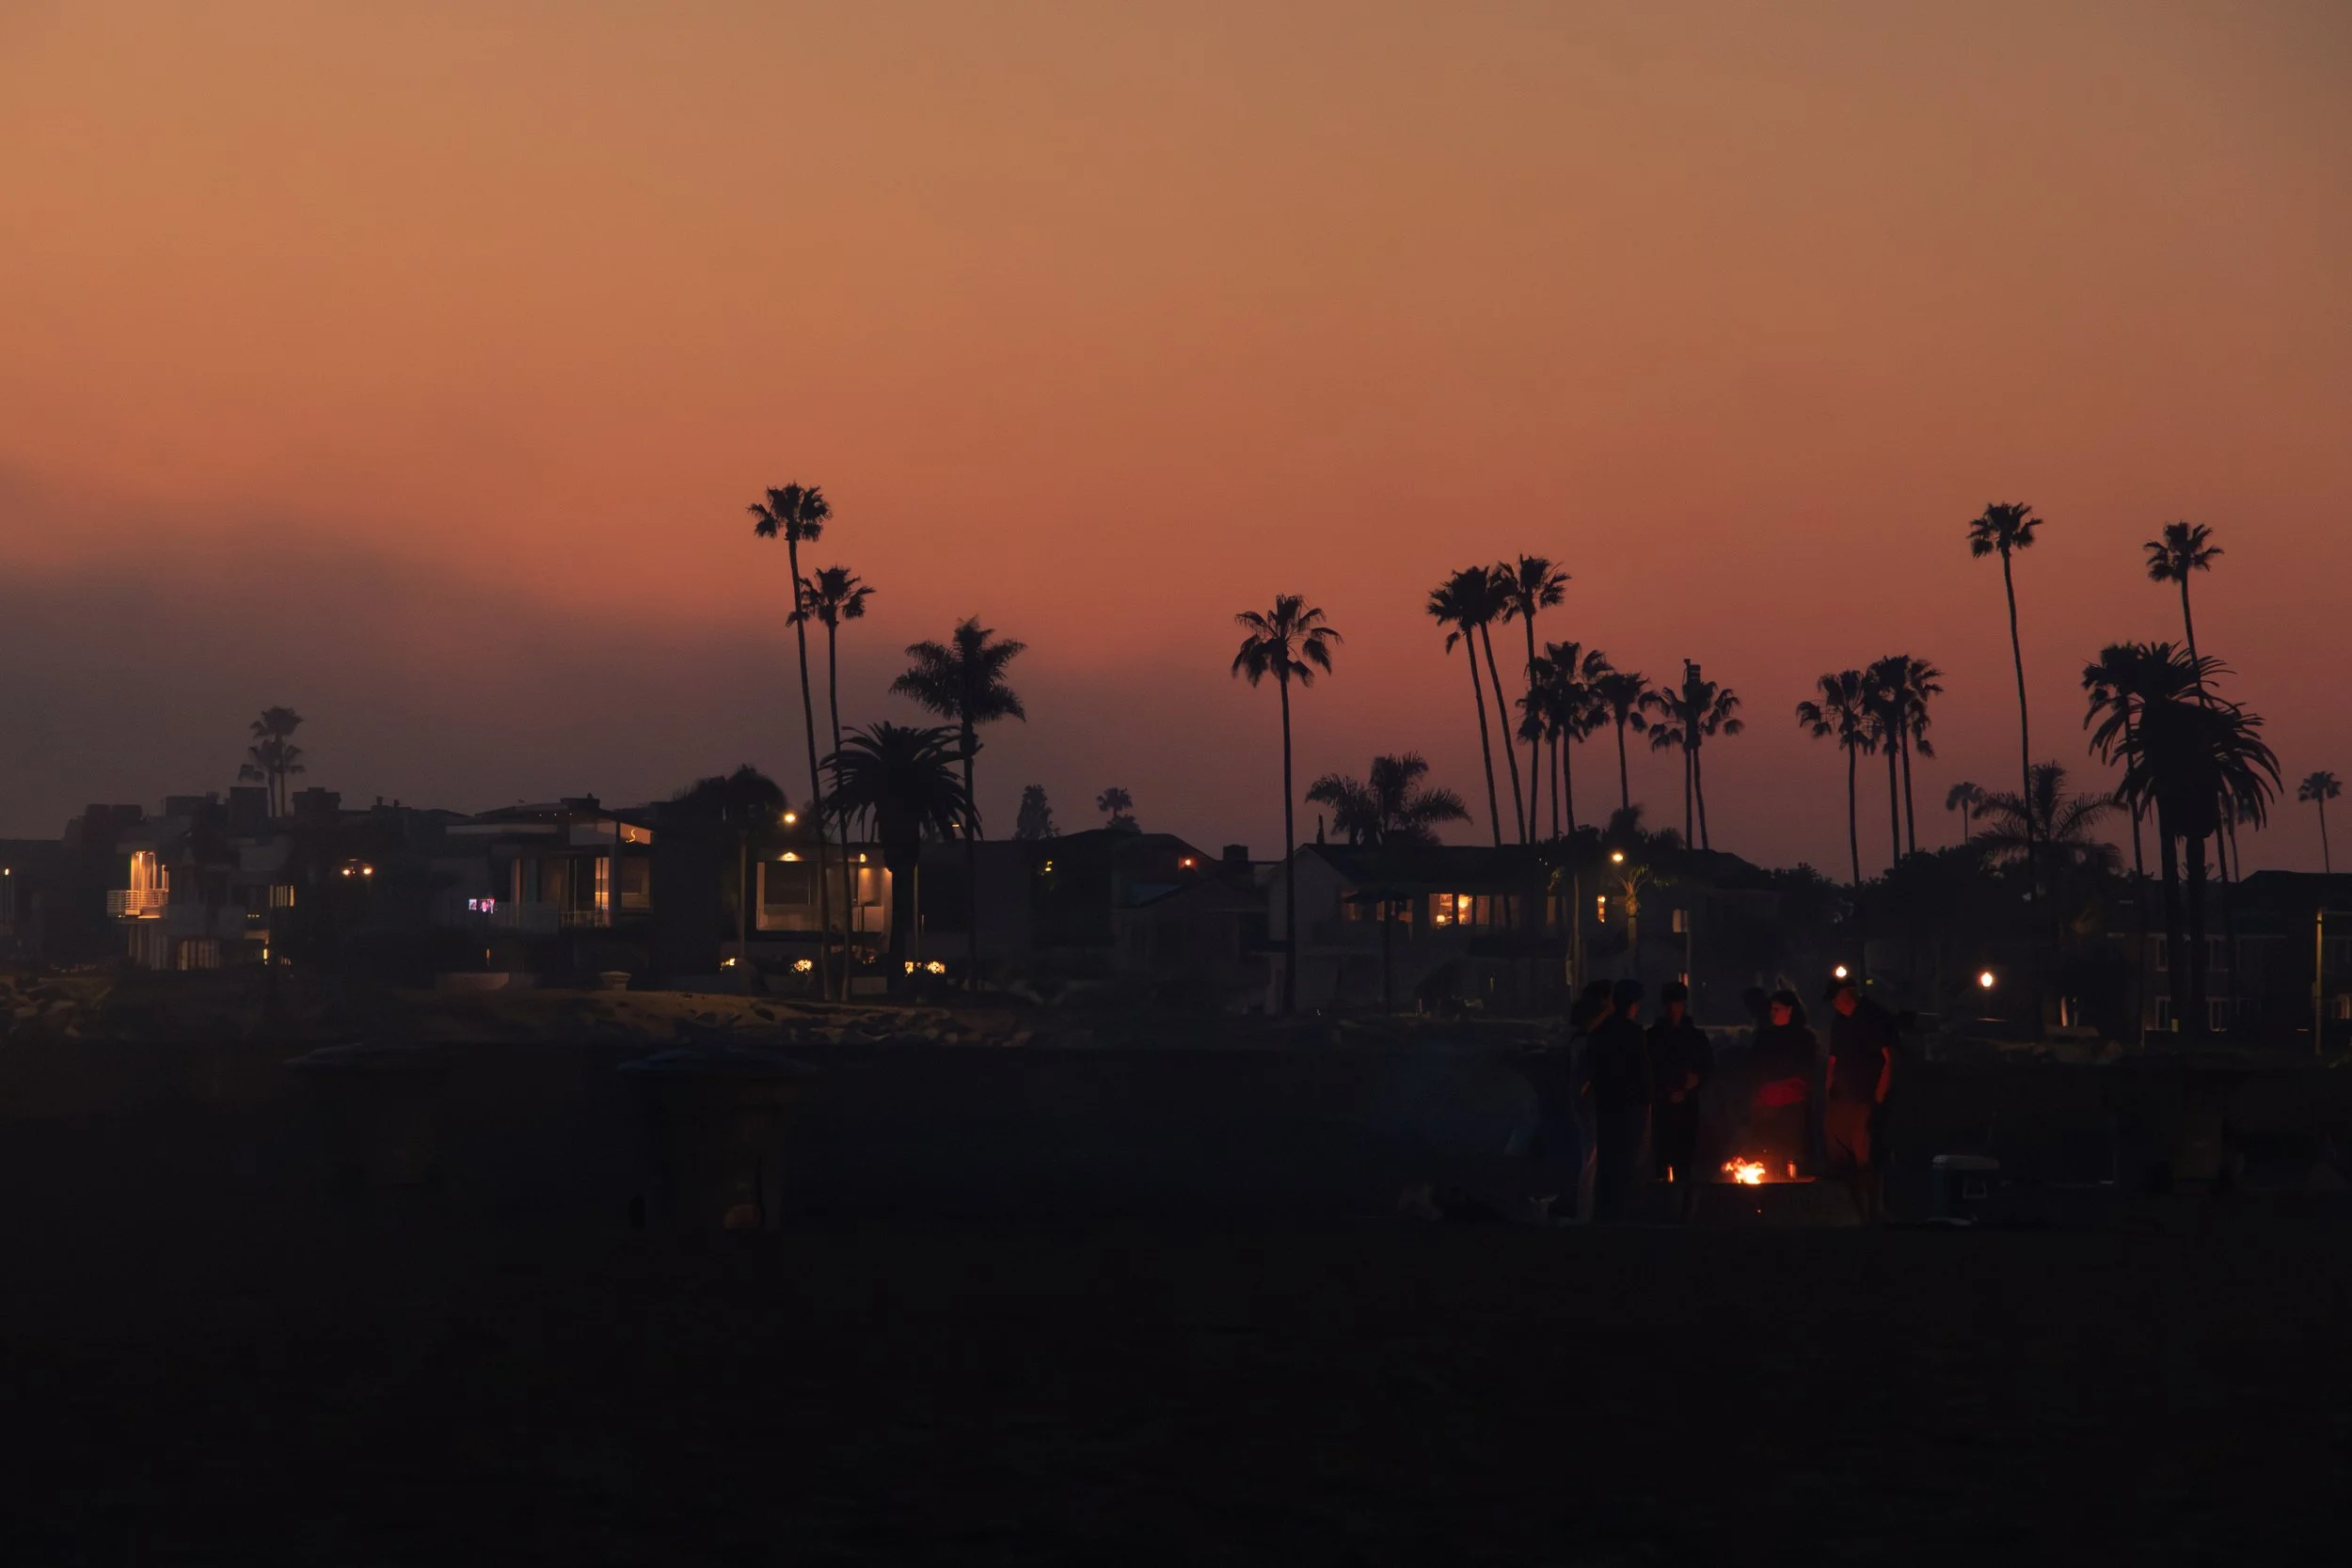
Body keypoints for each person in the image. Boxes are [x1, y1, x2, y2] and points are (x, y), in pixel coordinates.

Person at [1823, 973, 1899, 1224]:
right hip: (1842, 1101)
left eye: (1835, 998)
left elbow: (1891, 1060)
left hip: (1865, 1100)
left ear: (1846, 995)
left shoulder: (1875, 1017)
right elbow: (1833, 1059)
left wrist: (1879, 1095)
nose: (1834, 1004)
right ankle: (1853, 1212)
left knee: (1868, 1160)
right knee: (1842, 1161)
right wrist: (1829, 1089)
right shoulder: (1839, 1021)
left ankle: (1874, 1212)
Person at [1585, 978, 1651, 1224]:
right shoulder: (1633, 1033)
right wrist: (1648, 1098)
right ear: (1633, 1005)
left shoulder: (1601, 1031)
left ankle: (1604, 1212)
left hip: (1607, 1103)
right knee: (1628, 1161)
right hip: (1630, 1104)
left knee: (1608, 1159)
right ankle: (1622, 1214)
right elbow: (1642, 1071)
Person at [1647, 980, 1715, 1217]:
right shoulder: (1655, 1037)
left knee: (1685, 1159)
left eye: (1676, 1003)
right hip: (1663, 1106)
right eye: (1669, 1003)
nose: (1672, 1008)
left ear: (1683, 1004)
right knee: (1662, 1157)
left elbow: (1708, 1068)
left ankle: (1685, 1212)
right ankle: (1664, 1210)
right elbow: (1649, 1070)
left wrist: (1696, 1081)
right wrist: (1665, 1090)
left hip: (1687, 1106)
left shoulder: (1695, 1037)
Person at [1746, 990, 1817, 1178]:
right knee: (1768, 1155)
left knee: (1790, 1155)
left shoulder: (1804, 1039)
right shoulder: (1765, 1039)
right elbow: (1754, 1069)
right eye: (1772, 1009)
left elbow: (1807, 1073)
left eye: (1777, 1009)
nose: (1773, 1013)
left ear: (1790, 1010)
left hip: (1792, 1111)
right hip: (1767, 1110)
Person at [1563, 979, 1615, 1223]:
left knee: (1589, 1156)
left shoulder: (1579, 1039)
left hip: (1583, 1103)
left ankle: (1586, 1211)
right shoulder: (1587, 1041)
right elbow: (1582, 1078)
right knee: (1591, 1157)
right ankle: (1585, 1213)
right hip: (1587, 1105)